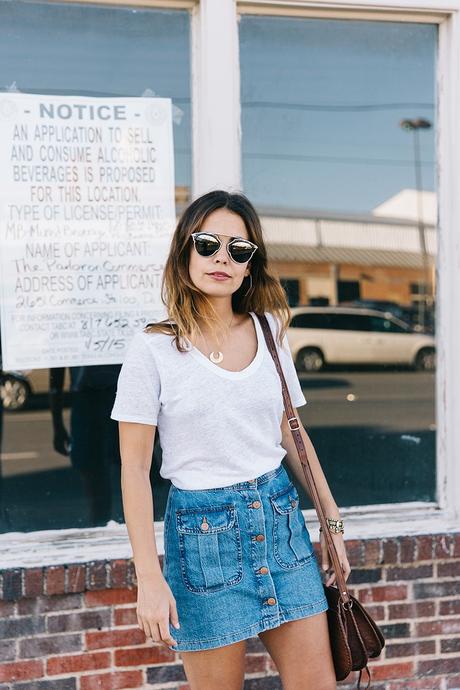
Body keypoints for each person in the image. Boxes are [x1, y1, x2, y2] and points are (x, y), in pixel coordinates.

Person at [110, 190, 351, 690]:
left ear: (250, 266)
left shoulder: (270, 331)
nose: (222, 257)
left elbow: (292, 433)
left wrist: (331, 522)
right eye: (208, 243)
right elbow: (133, 469)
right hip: (204, 537)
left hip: (281, 525)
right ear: (184, 252)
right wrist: (148, 578)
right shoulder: (154, 348)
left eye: (238, 249)